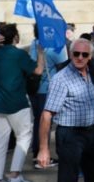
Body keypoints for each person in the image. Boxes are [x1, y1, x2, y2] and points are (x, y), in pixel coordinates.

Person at [37, 38, 94, 182]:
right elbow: (46, 115)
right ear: (70, 54)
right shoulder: (61, 79)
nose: (80, 57)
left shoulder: (92, 71)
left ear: (90, 56)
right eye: (76, 54)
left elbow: (88, 93)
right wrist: (43, 149)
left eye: (84, 54)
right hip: (70, 136)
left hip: (92, 132)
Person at [0, 24, 44, 182]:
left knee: (0, 142)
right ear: (14, 38)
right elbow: (38, 71)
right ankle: (14, 174)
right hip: (17, 102)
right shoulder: (18, 54)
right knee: (24, 136)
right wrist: (41, 53)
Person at [29, 25, 68, 170]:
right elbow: (64, 66)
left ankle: (36, 153)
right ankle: (41, 156)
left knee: (38, 122)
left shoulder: (34, 44)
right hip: (47, 90)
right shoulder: (53, 49)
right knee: (45, 123)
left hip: (34, 89)